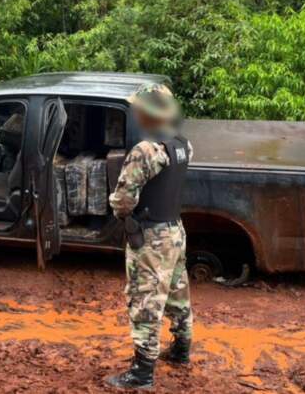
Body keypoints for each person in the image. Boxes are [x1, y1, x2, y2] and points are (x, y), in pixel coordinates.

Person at [106, 83, 194, 390]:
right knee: (177, 292)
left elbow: (123, 200)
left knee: (145, 300)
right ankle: (182, 350)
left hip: (151, 236)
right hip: (175, 231)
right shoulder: (182, 144)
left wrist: (116, 209)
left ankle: (142, 373)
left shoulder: (145, 151)